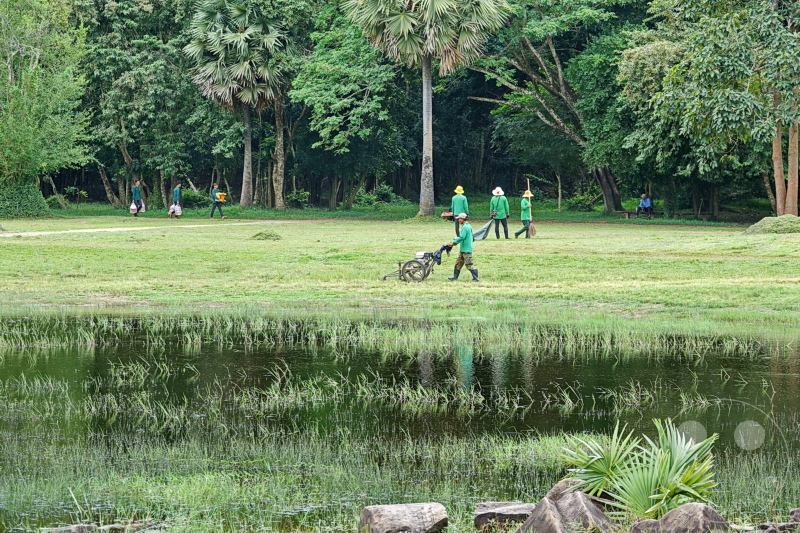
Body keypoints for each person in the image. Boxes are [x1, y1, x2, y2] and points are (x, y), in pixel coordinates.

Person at [447, 213, 479, 282]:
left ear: (462, 219)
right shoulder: (468, 226)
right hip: (464, 248)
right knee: (458, 263)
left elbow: (462, 237)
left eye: (459, 219)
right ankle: (455, 277)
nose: (458, 220)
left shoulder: (465, 227)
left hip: (466, 249)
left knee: (469, 264)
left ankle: (476, 278)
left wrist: (453, 243)